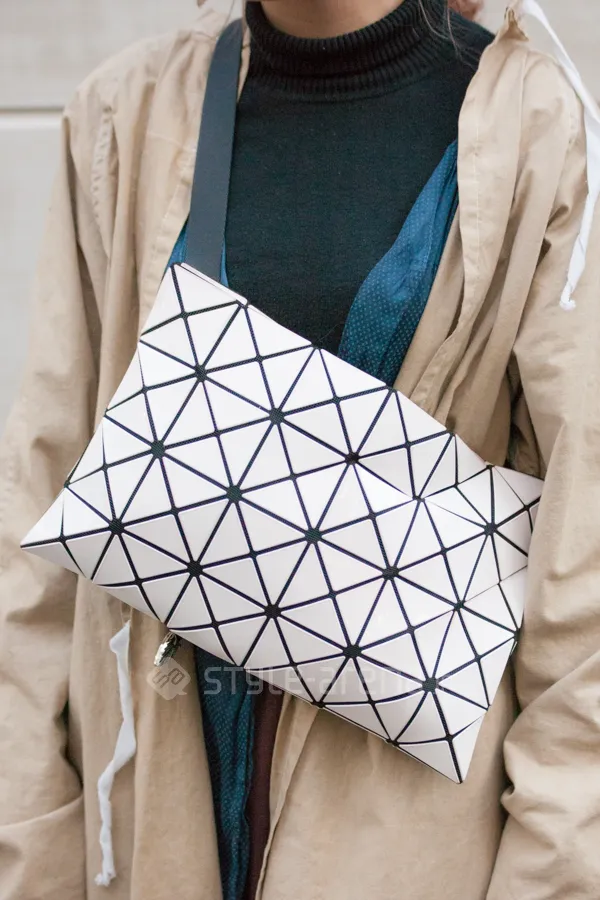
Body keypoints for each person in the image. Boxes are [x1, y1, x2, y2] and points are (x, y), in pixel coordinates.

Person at [0, 0, 599, 899]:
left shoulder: (541, 133)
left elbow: (582, 583)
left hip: (418, 853)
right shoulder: (125, 116)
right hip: (149, 830)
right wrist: (32, 861)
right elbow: (35, 538)